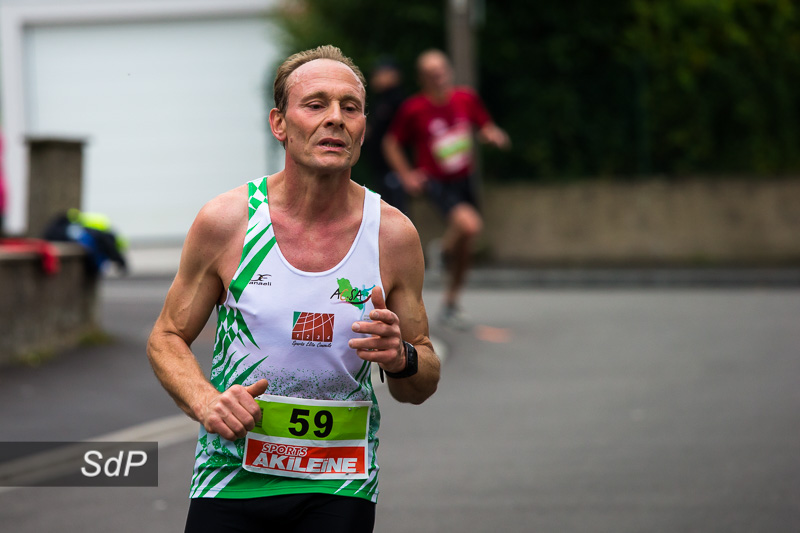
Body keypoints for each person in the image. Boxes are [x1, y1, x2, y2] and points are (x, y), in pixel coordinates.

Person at [147, 45, 440, 533]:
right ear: (279, 124)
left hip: (338, 484)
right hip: (231, 477)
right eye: (316, 104)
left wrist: (402, 357)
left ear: (363, 127)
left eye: (350, 107)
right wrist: (205, 400)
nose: (335, 118)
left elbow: (422, 380)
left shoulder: (392, 234)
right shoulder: (228, 222)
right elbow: (166, 337)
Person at [382, 49, 510, 330]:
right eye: (431, 73)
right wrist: (407, 175)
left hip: (465, 179)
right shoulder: (414, 108)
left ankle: (451, 302)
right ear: (422, 79)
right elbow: (391, 143)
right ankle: (440, 251)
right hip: (436, 181)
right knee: (470, 225)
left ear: (449, 71)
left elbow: (484, 125)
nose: (438, 76)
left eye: (441, 70)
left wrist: (492, 134)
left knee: (466, 246)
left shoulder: (466, 99)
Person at [361, 57, 408, 213]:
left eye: (380, 73)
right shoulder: (380, 101)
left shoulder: (398, 101)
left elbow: (395, 139)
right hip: (380, 168)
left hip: (393, 168)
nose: (376, 78)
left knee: (396, 210)